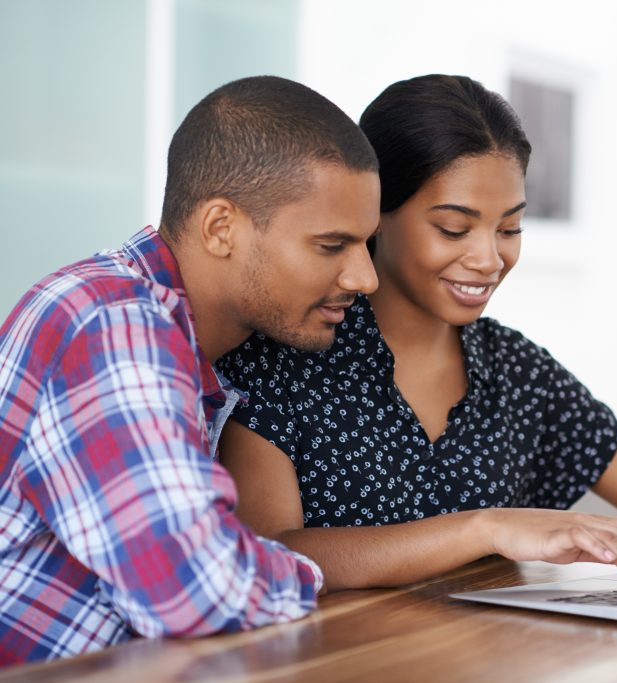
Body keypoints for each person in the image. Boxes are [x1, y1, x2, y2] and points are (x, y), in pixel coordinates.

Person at [217, 75, 617, 595]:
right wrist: (487, 527)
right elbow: (270, 550)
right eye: (453, 229)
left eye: (509, 229)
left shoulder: (515, 368)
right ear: (374, 214)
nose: (489, 260)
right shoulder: (285, 352)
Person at [0, 75, 381, 663]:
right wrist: (303, 570)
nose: (365, 278)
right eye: (331, 246)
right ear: (220, 228)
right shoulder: (112, 323)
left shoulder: (170, 332)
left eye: (366, 245)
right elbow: (194, 592)